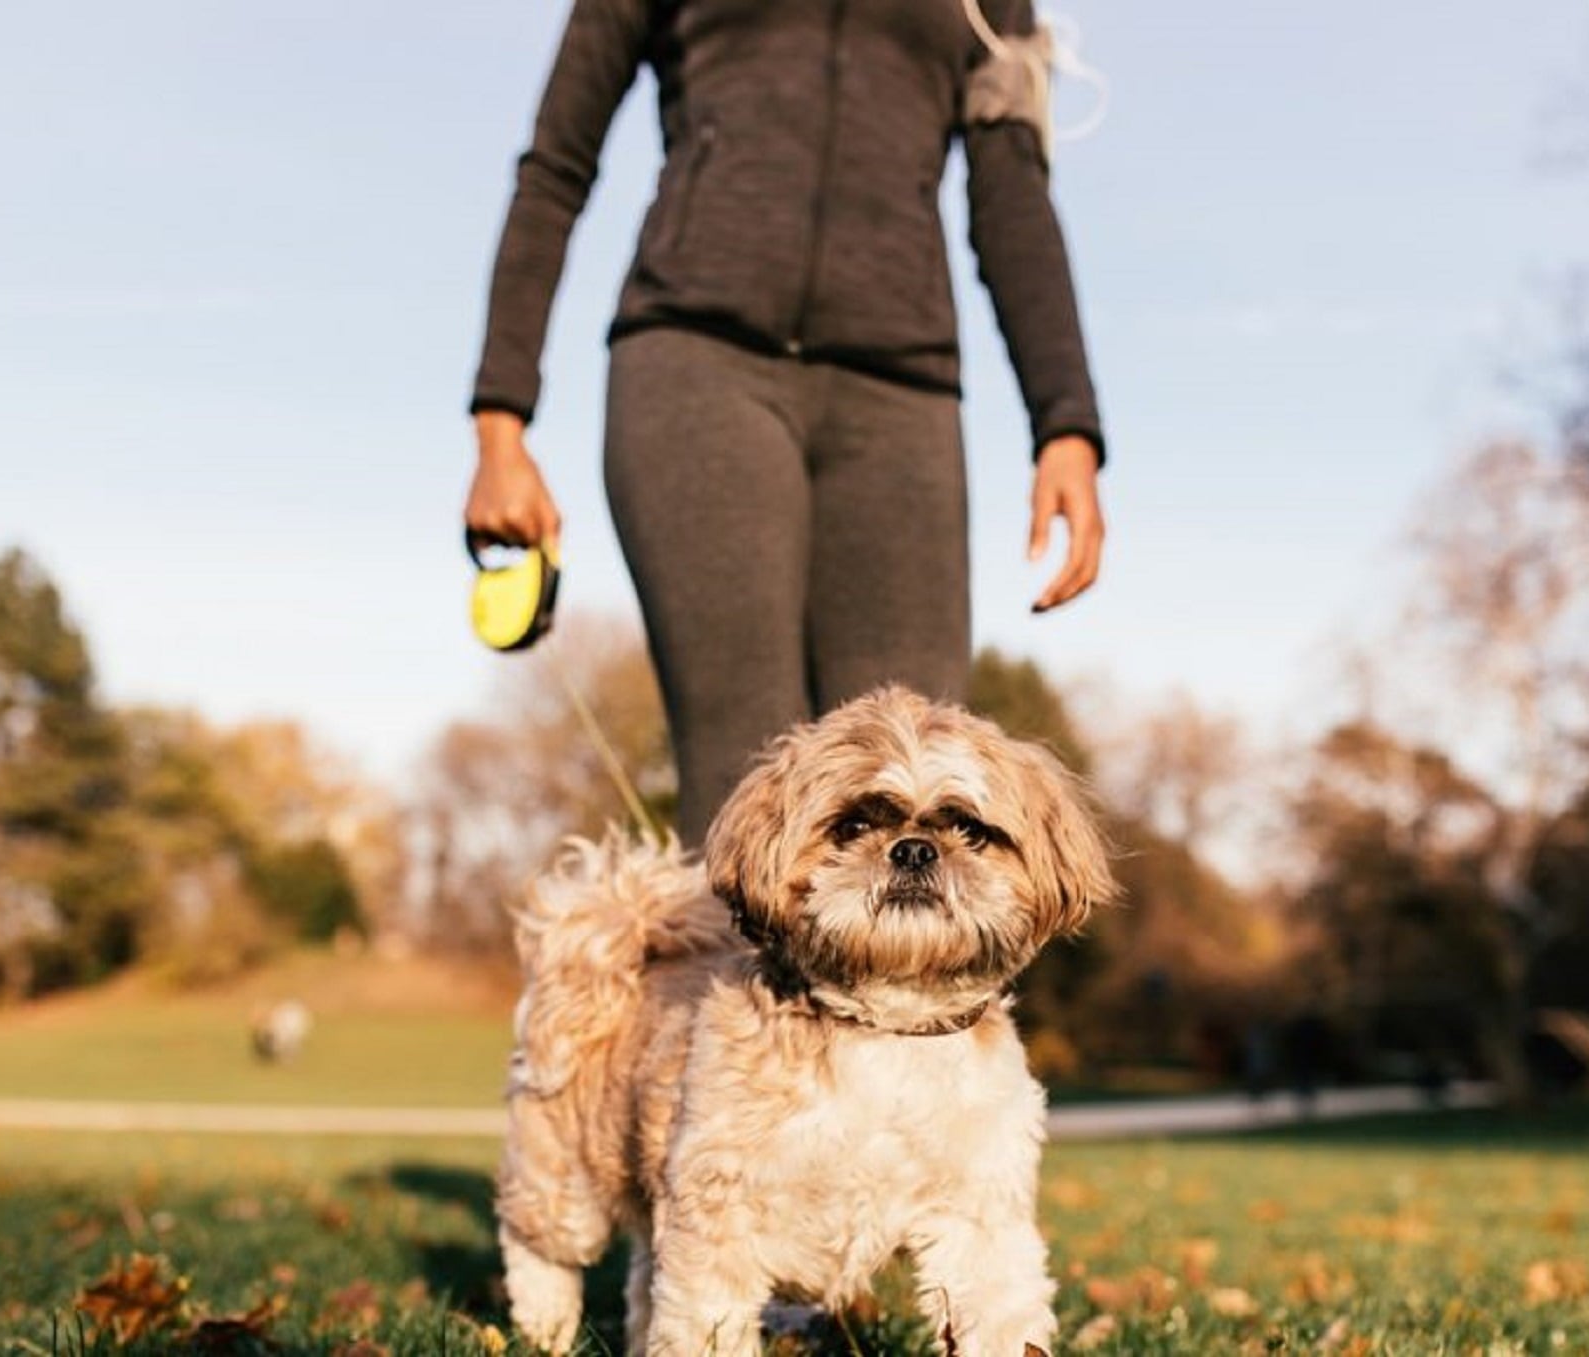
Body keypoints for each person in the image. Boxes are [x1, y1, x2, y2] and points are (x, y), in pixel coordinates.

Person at [464, 0, 1109, 846]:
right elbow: (556, 163)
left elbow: (1014, 197)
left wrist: (1066, 422)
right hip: (697, 366)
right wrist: (501, 422)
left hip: (900, 393)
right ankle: (727, 981)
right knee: (747, 772)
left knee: (908, 772)